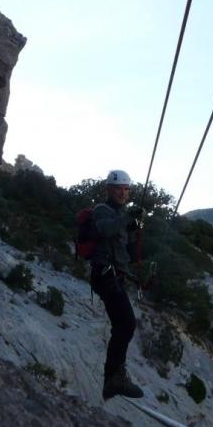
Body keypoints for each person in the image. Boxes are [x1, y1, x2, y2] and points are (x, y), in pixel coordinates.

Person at [90, 169, 145, 400]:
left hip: (115, 275)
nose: (123, 193)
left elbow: (132, 255)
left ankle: (113, 378)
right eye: (118, 188)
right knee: (126, 324)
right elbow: (105, 229)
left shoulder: (123, 217)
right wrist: (126, 218)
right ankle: (114, 378)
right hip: (104, 274)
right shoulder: (102, 210)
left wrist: (136, 229)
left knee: (124, 325)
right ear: (109, 190)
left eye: (126, 189)